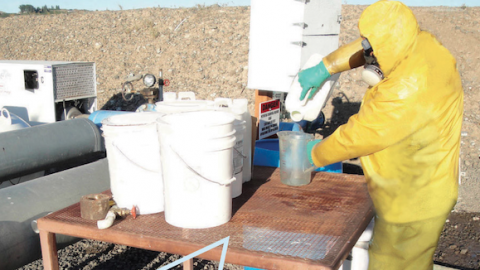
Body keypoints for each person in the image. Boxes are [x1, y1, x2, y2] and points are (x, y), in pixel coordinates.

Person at [298, 1, 464, 269]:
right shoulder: (422, 45)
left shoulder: (405, 90)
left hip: (413, 202)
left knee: (393, 264)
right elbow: (372, 45)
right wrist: (327, 66)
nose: (368, 52)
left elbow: (359, 135)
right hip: (424, 179)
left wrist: (312, 153)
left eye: (373, 47)